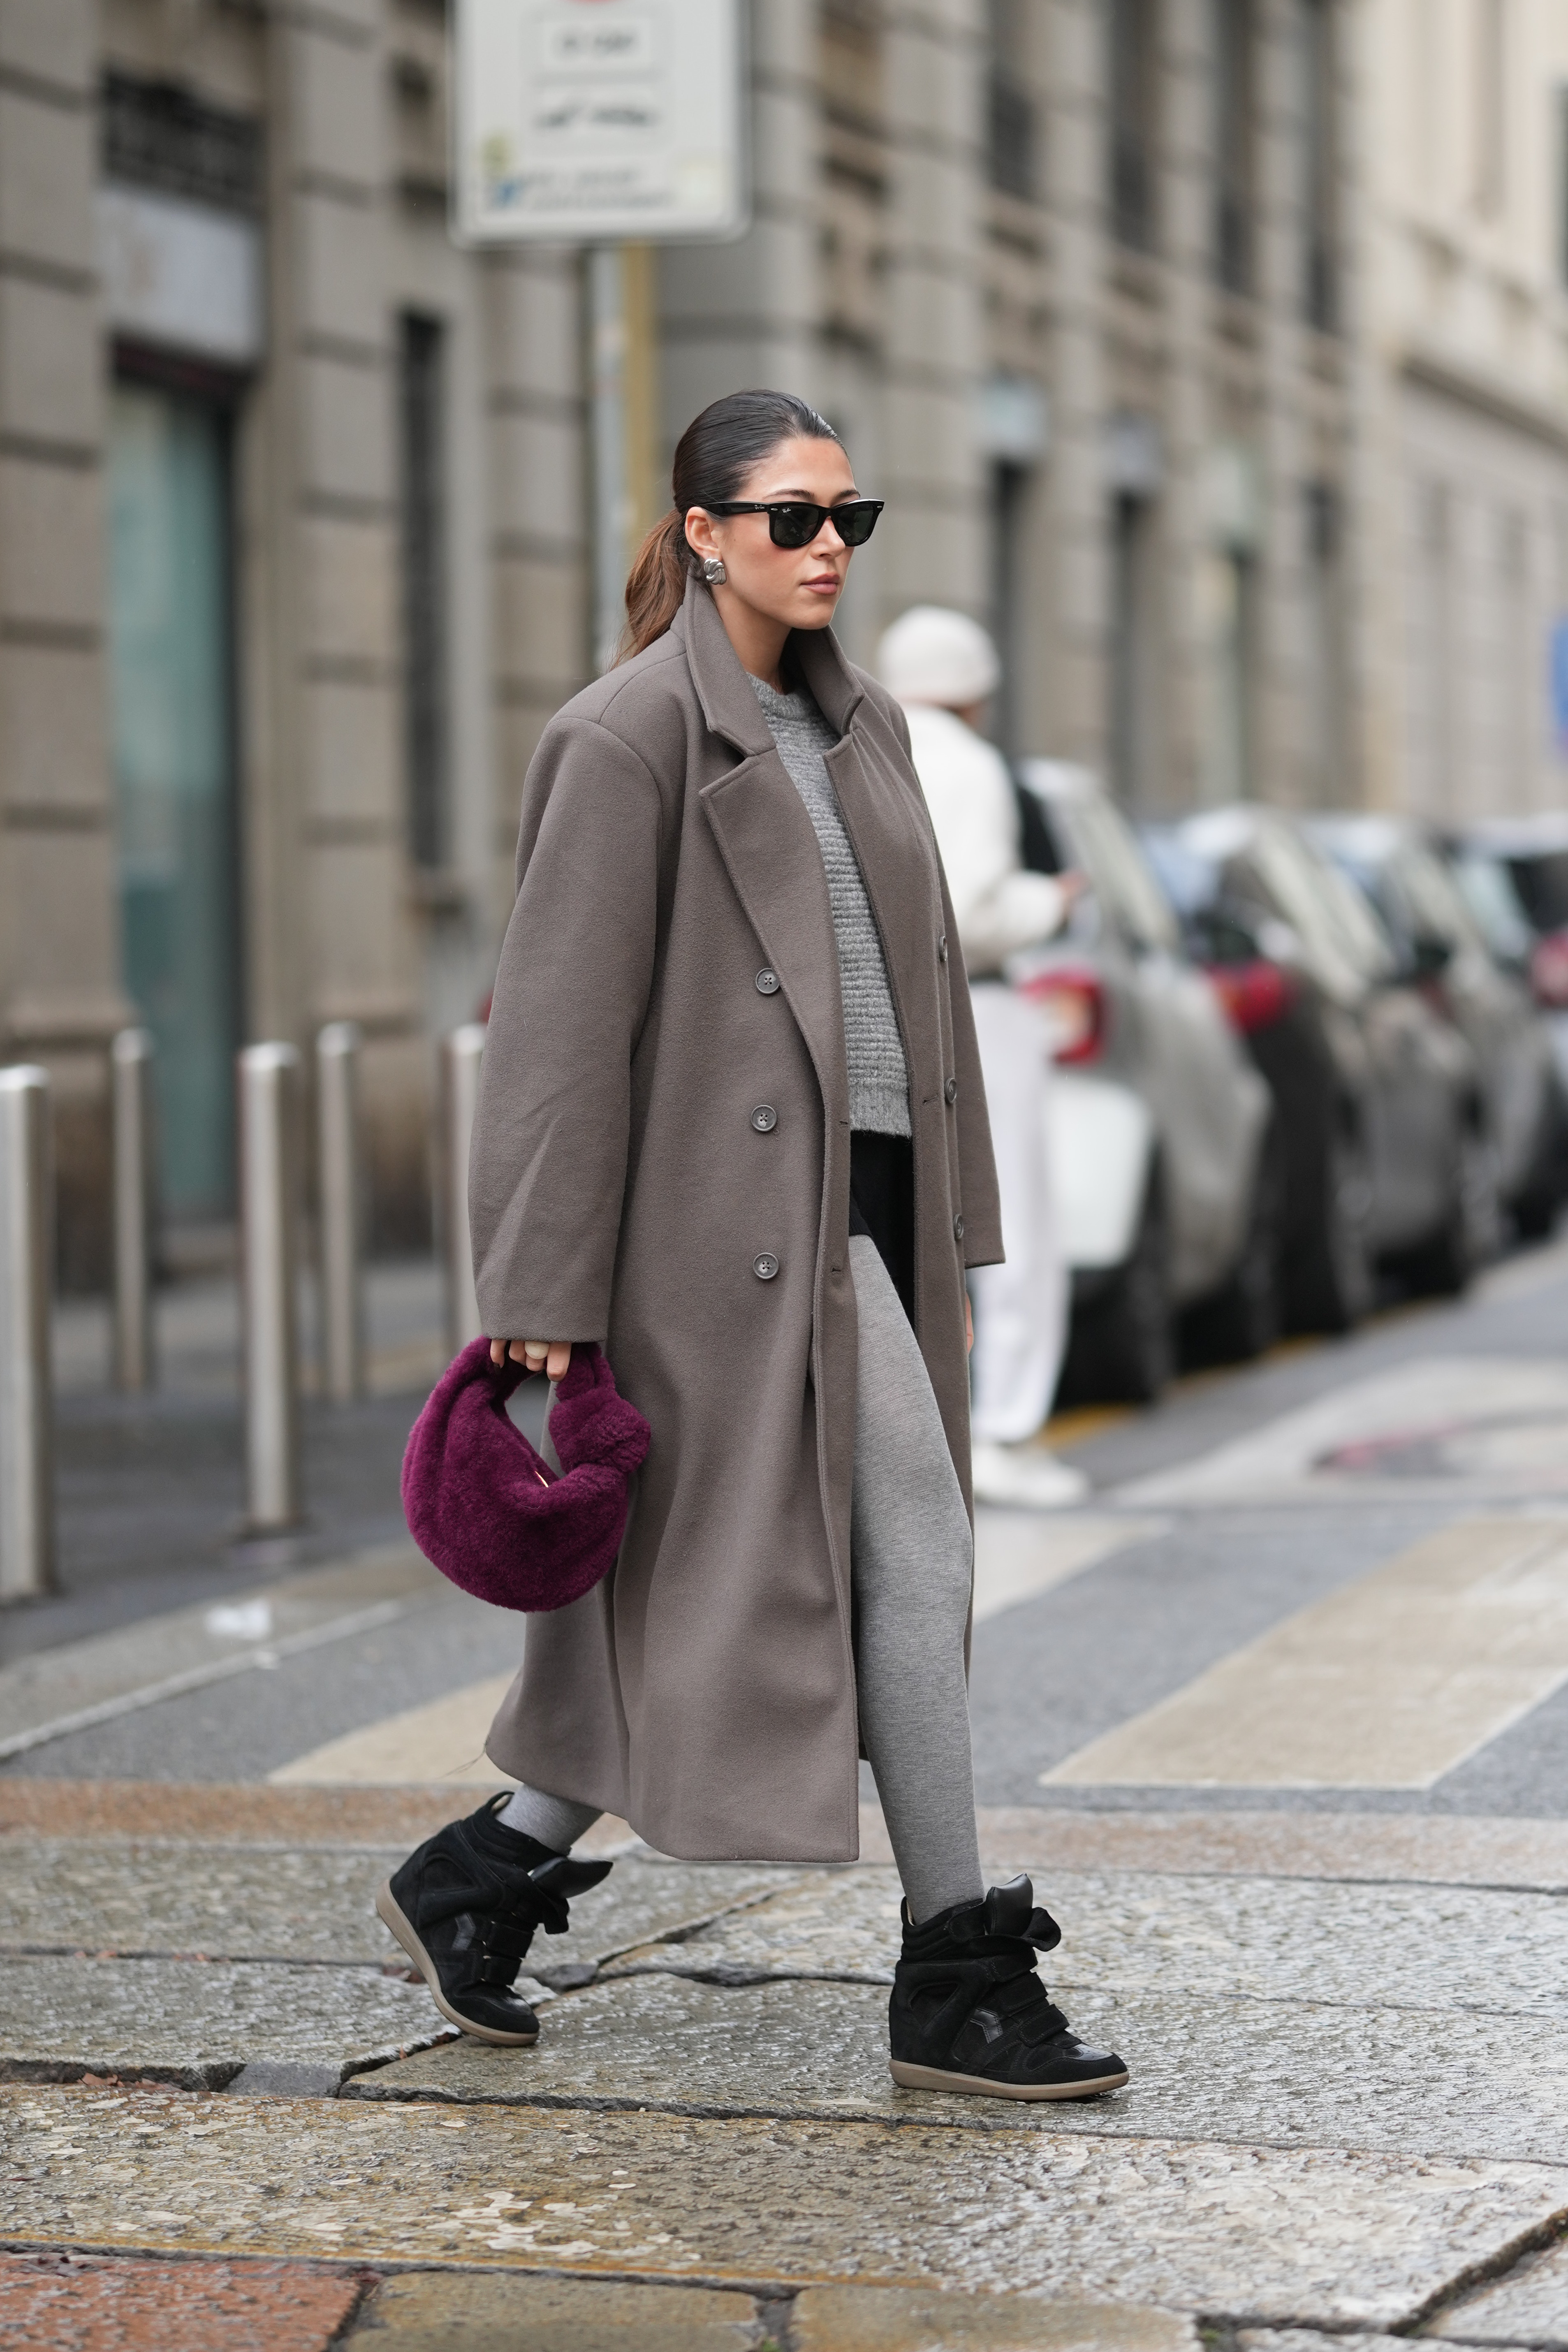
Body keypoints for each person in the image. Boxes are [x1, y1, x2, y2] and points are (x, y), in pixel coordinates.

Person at [378, 391, 1127, 2104]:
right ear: (700, 530)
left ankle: (480, 1877)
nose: (821, 552)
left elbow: (914, 983)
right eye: (786, 519)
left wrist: (956, 1211)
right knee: (909, 1551)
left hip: (856, 1216)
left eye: (844, 520)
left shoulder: (854, 726)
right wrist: (539, 1295)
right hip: (709, 1244)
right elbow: (555, 1037)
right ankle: (954, 1960)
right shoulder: (624, 733)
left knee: (706, 1581)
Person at [877, 606, 1087, 1509]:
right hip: (979, 1005)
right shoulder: (973, 767)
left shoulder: (859, 745)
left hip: (871, 1014)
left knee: (898, 1219)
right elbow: (969, 916)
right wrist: (1049, 901)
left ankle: (906, 1433)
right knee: (1012, 1226)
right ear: (977, 692)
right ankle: (1003, 1427)